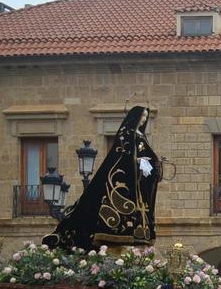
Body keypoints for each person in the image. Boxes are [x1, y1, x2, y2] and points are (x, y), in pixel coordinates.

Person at [43, 105, 161, 251]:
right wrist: (137, 161)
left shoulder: (141, 136)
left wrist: (153, 165)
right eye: (142, 116)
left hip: (138, 184)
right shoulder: (127, 133)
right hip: (126, 181)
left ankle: (140, 234)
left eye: (146, 117)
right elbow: (122, 156)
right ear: (135, 117)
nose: (144, 120)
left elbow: (147, 155)